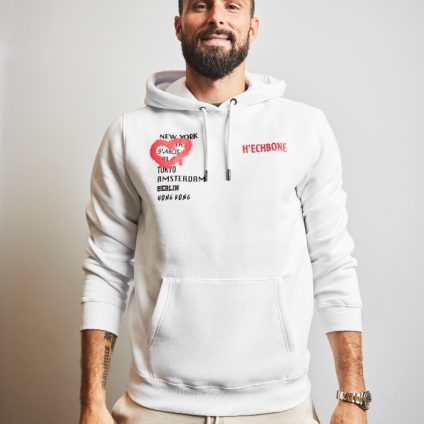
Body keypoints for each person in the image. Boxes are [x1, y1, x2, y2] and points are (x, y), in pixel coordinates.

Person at [79, 1, 372, 423]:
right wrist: (91, 402)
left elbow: (333, 262)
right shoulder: (130, 134)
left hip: (279, 407)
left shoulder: (304, 129)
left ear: (253, 27)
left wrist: (353, 395)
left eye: (232, 6)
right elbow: (105, 270)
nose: (216, 16)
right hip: (156, 407)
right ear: (179, 25)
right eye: (201, 5)